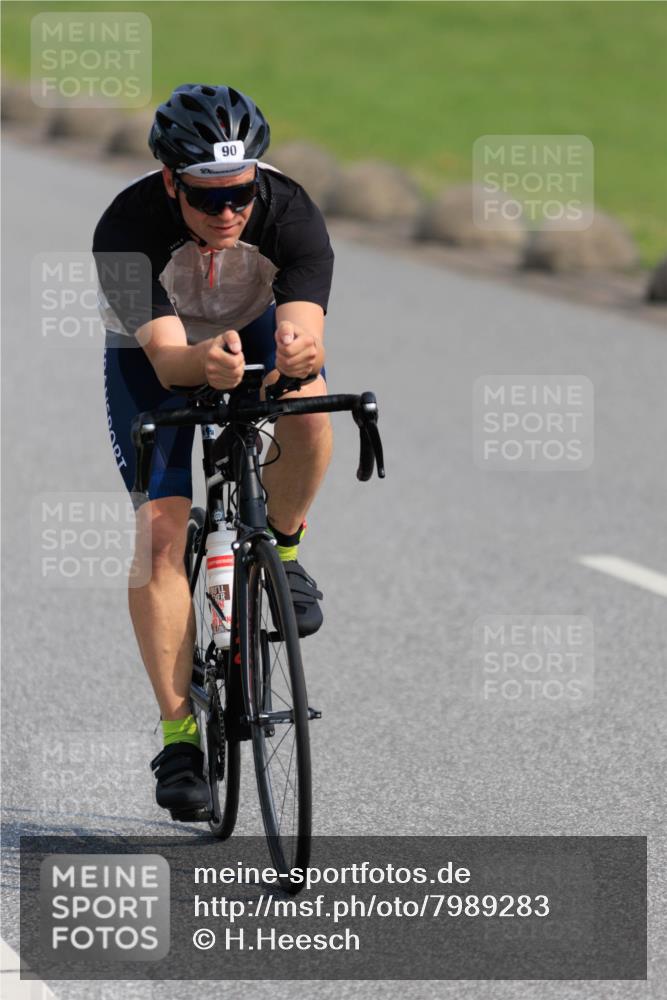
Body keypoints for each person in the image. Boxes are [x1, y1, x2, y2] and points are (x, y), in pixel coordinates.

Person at [93, 83, 334, 818]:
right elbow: (169, 363)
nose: (229, 212)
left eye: (240, 193)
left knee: (310, 403)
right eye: (208, 198)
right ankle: (179, 738)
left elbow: (303, 325)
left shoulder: (290, 212)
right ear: (172, 181)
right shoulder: (126, 228)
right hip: (157, 353)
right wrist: (207, 367)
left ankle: (284, 555)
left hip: (252, 330)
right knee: (162, 532)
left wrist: (297, 351)